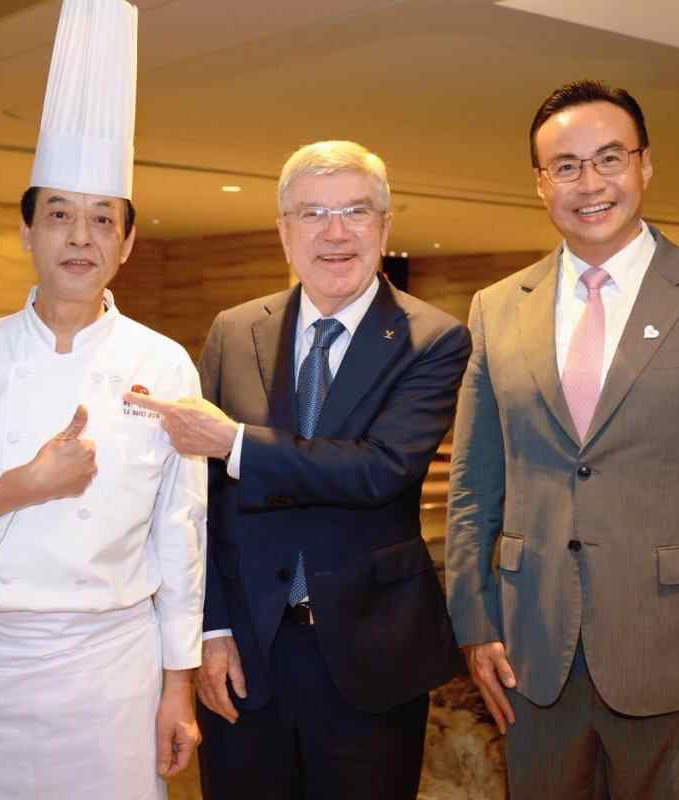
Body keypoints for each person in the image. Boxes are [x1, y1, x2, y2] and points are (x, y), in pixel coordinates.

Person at [0, 2, 205, 798]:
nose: (80, 237)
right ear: (28, 230)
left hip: (114, 671)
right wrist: (22, 484)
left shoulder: (163, 364)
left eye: (102, 219)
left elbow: (181, 536)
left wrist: (178, 685)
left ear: (127, 242)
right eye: (59, 214)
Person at [445, 80, 679, 798]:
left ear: (645, 165)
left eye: (610, 158)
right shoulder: (495, 309)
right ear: (541, 184)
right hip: (532, 654)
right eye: (566, 166)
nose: (591, 182)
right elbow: (473, 488)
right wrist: (475, 624)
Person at [124, 140, 470, 800]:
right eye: (312, 213)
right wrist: (211, 630)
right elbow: (203, 501)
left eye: (355, 211)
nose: (335, 233)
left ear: (384, 226)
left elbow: (380, 469)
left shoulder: (433, 338)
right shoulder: (234, 331)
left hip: (372, 656)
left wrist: (234, 442)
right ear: (284, 231)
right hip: (246, 652)